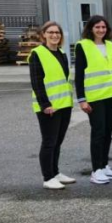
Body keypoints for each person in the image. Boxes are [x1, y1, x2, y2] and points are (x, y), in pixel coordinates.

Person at [75, 15, 112, 185]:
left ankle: (104, 165)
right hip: (95, 97)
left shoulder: (109, 45)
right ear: (90, 28)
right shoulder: (83, 45)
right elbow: (79, 74)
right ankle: (96, 170)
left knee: (108, 132)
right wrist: (82, 99)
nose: (101, 30)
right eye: (97, 27)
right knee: (98, 132)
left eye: (103, 27)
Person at [28, 20, 76, 190]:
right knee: (49, 142)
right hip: (49, 107)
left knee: (57, 141)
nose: (55, 35)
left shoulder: (61, 53)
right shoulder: (37, 54)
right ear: (43, 35)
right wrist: (45, 104)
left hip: (64, 104)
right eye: (51, 32)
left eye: (57, 32)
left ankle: (55, 172)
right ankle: (48, 177)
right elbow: (36, 82)